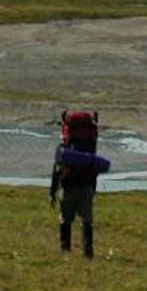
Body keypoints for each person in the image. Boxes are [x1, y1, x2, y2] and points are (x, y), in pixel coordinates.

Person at [50, 110, 109, 259]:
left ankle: (65, 250)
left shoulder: (64, 148)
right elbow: (94, 169)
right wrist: (93, 188)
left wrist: (52, 191)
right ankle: (88, 252)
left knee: (65, 219)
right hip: (87, 186)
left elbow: (57, 169)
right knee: (87, 220)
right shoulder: (90, 147)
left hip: (68, 186)